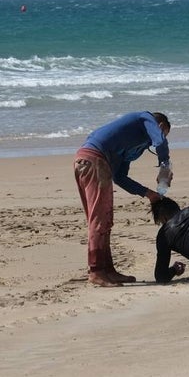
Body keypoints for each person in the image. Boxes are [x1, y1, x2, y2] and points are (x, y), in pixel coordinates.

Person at [74, 111, 174, 287]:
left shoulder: (134, 146)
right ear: (159, 126)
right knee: (99, 220)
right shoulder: (144, 118)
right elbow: (160, 141)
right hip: (94, 159)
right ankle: (96, 271)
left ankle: (107, 270)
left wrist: (147, 193)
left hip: (91, 161)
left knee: (105, 220)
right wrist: (164, 166)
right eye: (164, 132)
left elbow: (119, 177)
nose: (155, 142)